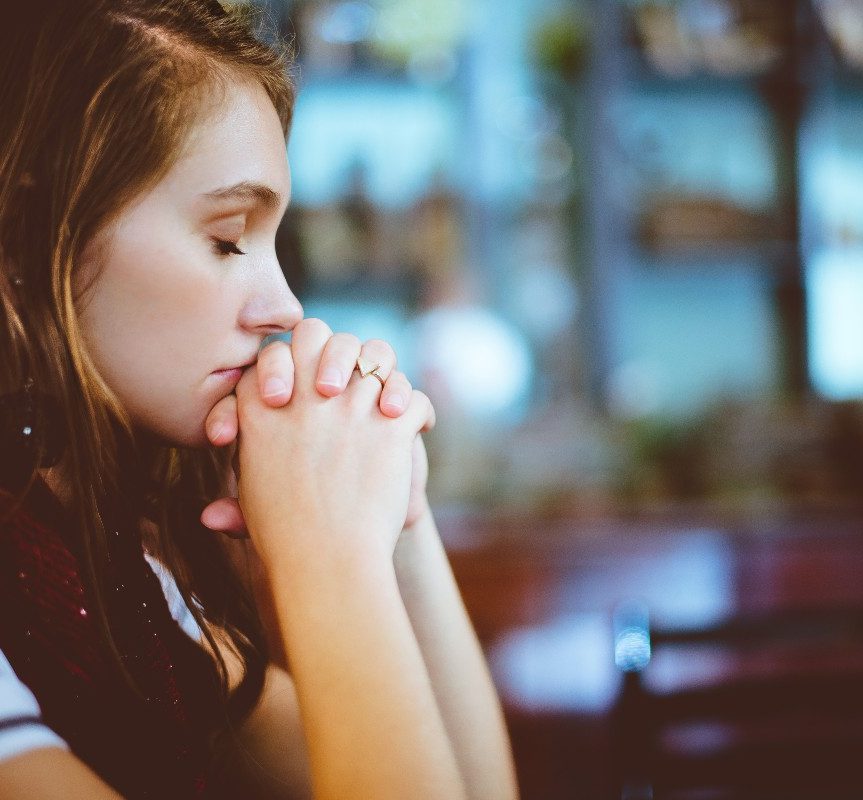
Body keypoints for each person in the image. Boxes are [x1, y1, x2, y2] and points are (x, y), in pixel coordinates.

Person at [0, 1, 518, 797]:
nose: (285, 308)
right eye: (226, 237)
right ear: (36, 237)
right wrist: (330, 556)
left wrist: (394, 520)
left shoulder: (114, 565)